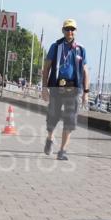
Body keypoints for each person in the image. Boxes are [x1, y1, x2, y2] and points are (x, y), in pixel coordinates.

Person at [41, 19, 90, 161]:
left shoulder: (80, 49)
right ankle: (50, 139)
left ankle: (62, 150)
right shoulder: (55, 47)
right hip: (57, 87)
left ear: (75, 31)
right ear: (63, 30)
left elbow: (86, 71)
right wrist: (44, 87)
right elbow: (46, 68)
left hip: (73, 89)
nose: (70, 32)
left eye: (72, 29)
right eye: (67, 29)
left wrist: (86, 92)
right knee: (52, 117)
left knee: (70, 120)